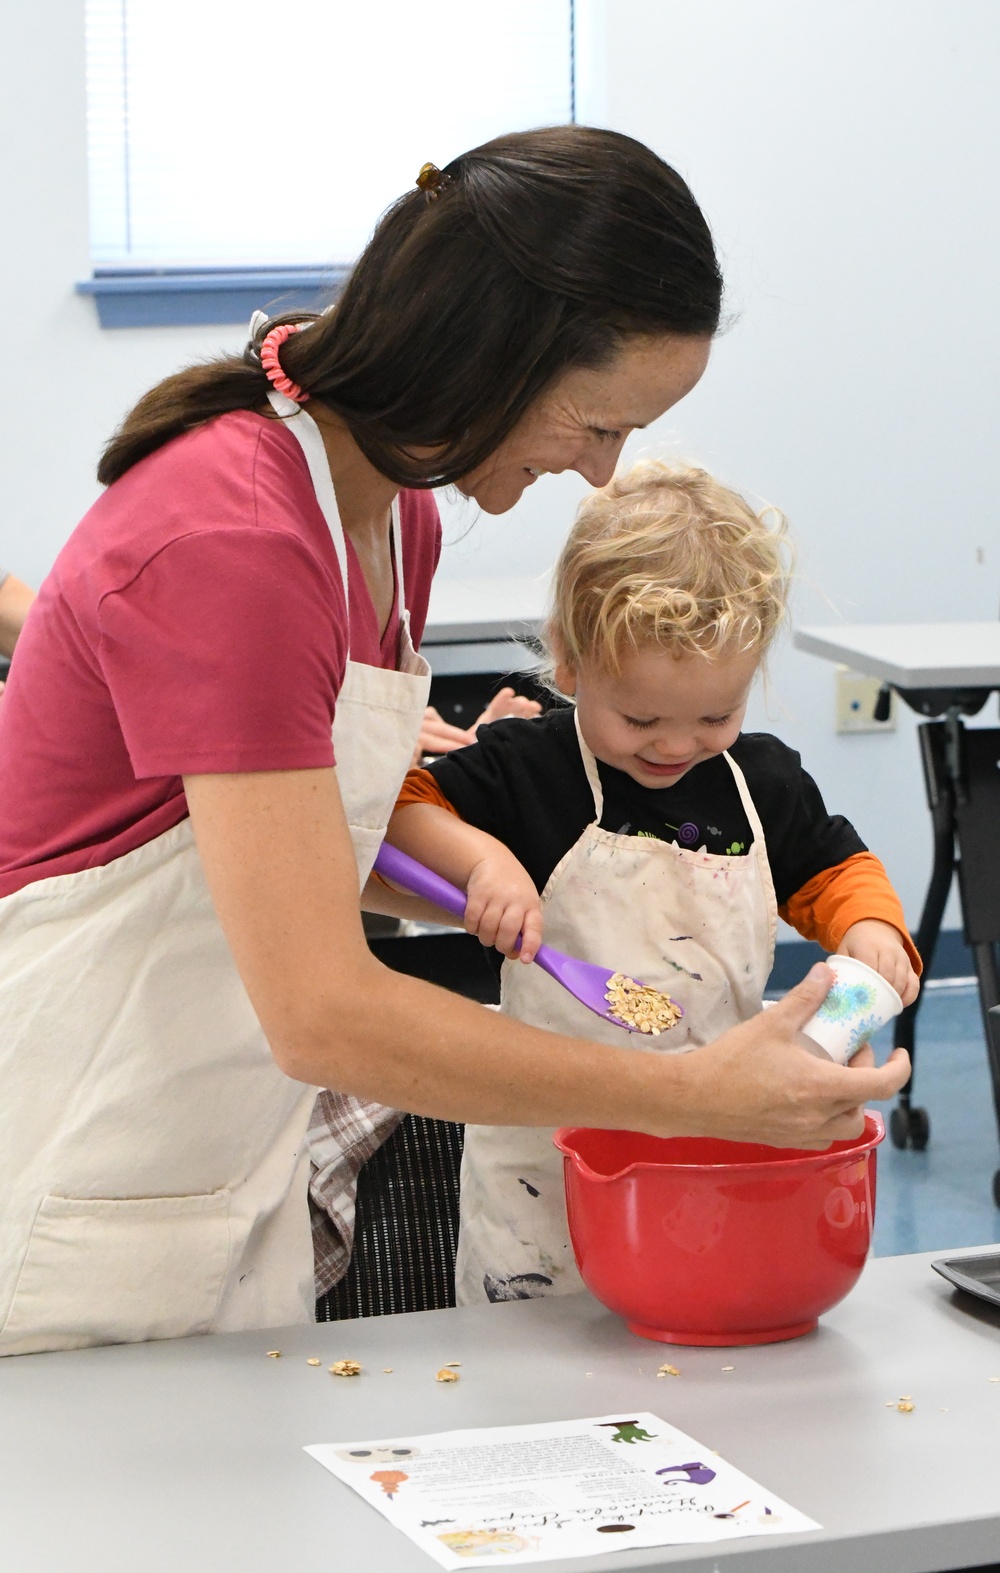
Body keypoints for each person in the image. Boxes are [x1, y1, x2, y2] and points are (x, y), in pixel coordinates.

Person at [0, 126, 908, 1358]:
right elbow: (320, 1010)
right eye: (596, 425)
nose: (601, 474)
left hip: (204, 1163)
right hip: (72, 1158)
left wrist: (449, 863)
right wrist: (697, 1096)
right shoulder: (240, 538)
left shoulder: (392, 523)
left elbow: (273, 852)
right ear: (492, 354)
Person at [386, 462, 919, 1305]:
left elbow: (833, 867)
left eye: (715, 716)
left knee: (694, 1336)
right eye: (639, 719)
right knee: (546, 1379)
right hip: (544, 1177)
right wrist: (480, 861)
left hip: (711, 1153)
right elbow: (398, 808)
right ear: (570, 661)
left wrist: (871, 934)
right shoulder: (531, 771)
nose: (676, 745)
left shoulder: (760, 783)